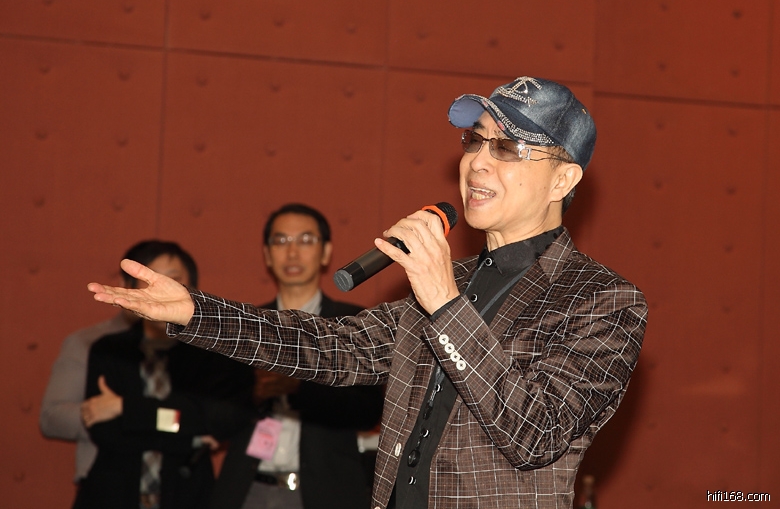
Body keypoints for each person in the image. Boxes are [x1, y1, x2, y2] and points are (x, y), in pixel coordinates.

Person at [88, 76, 648, 509]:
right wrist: (195, 311)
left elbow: (535, 432)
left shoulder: (603, 300)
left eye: (507, 148)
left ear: (563, 179)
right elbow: (330, 347)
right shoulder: (454, 280)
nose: (477, 161)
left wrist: (445, 304)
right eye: (475, 141)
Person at [209, 203, 384, 509]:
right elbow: (215, 417)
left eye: (305, 240)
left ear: (326, 252)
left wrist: (299, 387)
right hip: (248, 490)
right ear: (267, 255)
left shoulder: (352, 323)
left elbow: (368, 410)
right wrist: (255, 393)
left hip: (325, 493)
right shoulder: (247, 324)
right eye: (281, 241)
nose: (292, 253)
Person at [79, 241, 255, 509]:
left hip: (189, 495)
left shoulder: (214, 352)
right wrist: (190, 438)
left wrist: (126, 408)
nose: (159, 291)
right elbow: (105, 431)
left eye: (172, 279)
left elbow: (216, 419)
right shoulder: (110, 350)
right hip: (113, 495)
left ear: (191, 288)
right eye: (149, 279)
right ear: (130, 287)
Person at [40, 241, 154, 498]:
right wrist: (105, 416)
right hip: (107, 484)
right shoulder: (89, 342)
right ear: (126, 284)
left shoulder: (194, 350)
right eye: (149, 280)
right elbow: (52, 417)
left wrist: (131, 412)